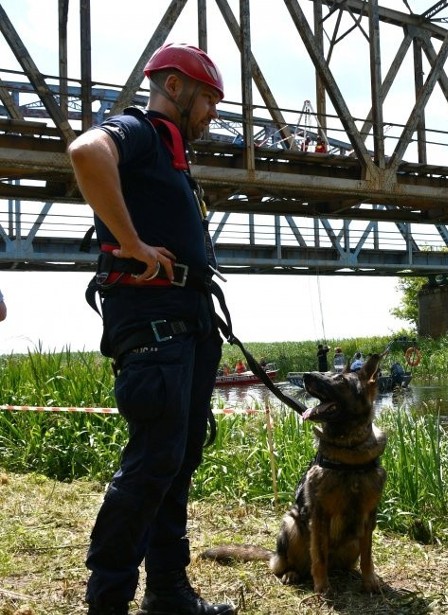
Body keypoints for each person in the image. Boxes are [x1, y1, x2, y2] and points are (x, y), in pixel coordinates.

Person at [67, 43, 235, 615]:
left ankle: (168, 592)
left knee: (179, 458)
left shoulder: (174, 157)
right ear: (175, 86)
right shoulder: (138, 129)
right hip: (153, 324)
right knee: (153, 460)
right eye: (209, 99)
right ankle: (107, 600)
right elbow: (87, 153)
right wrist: (131, 243)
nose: (213, 113)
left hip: (187, 322)